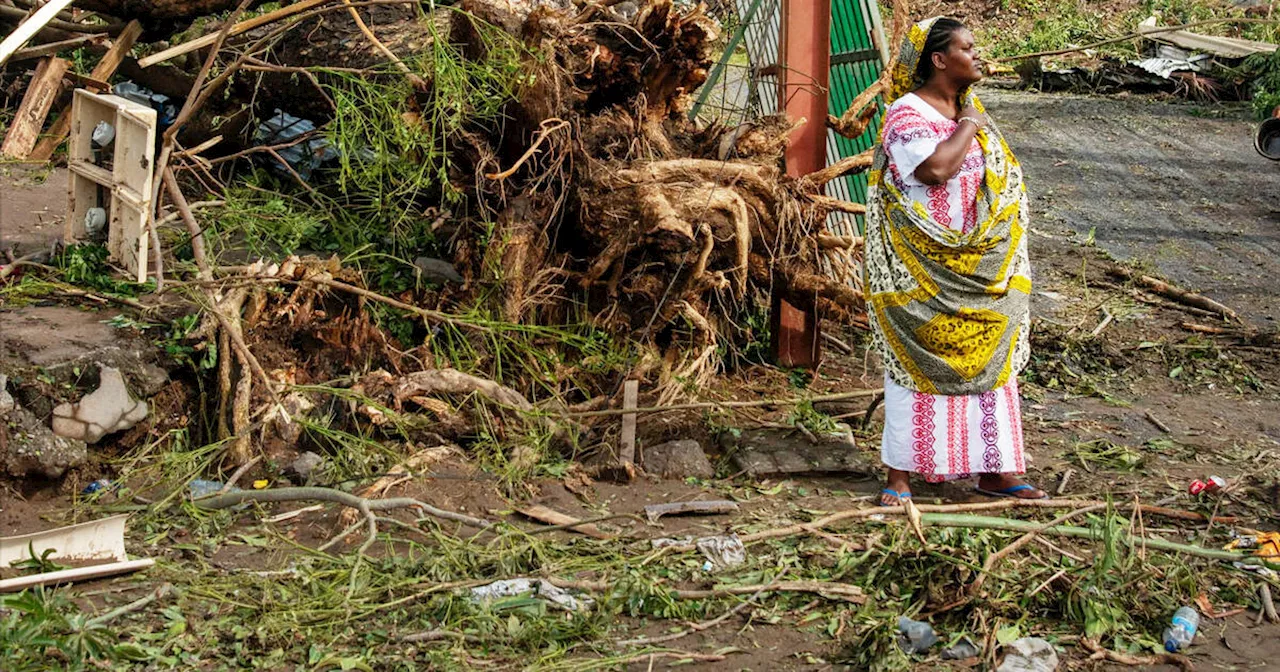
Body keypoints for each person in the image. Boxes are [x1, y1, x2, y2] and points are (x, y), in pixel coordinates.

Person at [863, 16, 1045, 506]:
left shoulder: (973, 112)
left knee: (994, 362)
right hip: (922, 269)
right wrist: (968, 125)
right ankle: (899, 476)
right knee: (914, 363)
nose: (977, 54)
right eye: (967, 47)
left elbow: (1003, 185)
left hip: (982, 270)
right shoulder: (907, 113)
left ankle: (997, 470)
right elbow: (935, 170)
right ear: (940, 60)